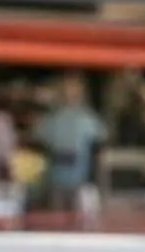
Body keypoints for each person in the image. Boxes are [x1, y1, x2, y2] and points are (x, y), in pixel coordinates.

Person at [34, 78, 108, 206]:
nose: (70, 95)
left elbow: (99, 148)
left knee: (78, 215)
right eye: (67, 91)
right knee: (56, 214)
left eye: (75, 91)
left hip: (80, 182)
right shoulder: (51, 120)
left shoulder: (89, 120)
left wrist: (98, 183)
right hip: (55, 181)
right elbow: (39, 142)